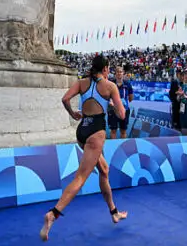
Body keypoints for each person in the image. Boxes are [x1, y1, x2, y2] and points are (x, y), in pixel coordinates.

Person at [40, 55, 128, 242]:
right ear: (104, 69)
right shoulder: (110, 86)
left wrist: (73, 113)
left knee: (104, 170)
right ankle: (53, 214)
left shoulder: (82, 82)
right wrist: (112, 105)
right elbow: (122, 115)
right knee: (80, 178)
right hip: (95, 134)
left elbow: (65, 99)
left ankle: (114, 212)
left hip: (82, 131)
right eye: (108, 69)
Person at [108, 66, 134, 139]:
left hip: (124, 109)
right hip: (113, 110)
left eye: (121, 72)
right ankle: (113, 148)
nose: (119, 73)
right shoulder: (111, 83)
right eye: (117, 72)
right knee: (113, 130)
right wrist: (111, 101)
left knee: (123, 131)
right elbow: (107, 96)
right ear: (115, 73)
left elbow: (131, 98)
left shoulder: (127, 84)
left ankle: (123, 147)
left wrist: (123, 101)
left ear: (123, 73)